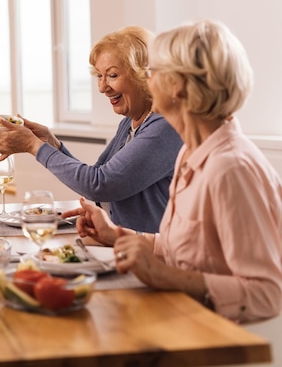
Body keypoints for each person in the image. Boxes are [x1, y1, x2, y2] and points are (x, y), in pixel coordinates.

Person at [71, 20, 282, 323]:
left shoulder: (231, 168)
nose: (146, 79)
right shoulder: (189, 151)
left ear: (179, 86)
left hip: (215, 337)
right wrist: (117, 236)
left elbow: (266, 295)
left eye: (153, 71)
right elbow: (182, 248)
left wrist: (163, 276)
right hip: (179, 317)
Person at [0, 26, 182, 232]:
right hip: (121, 244)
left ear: (143, 74)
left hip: (151, 253)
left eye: (112, 75)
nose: (102, 87)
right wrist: (52, 144)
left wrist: (34, 146)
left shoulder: (164, 127)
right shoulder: (130, 122)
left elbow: (101, 185)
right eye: (99, 76)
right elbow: (97, 177)